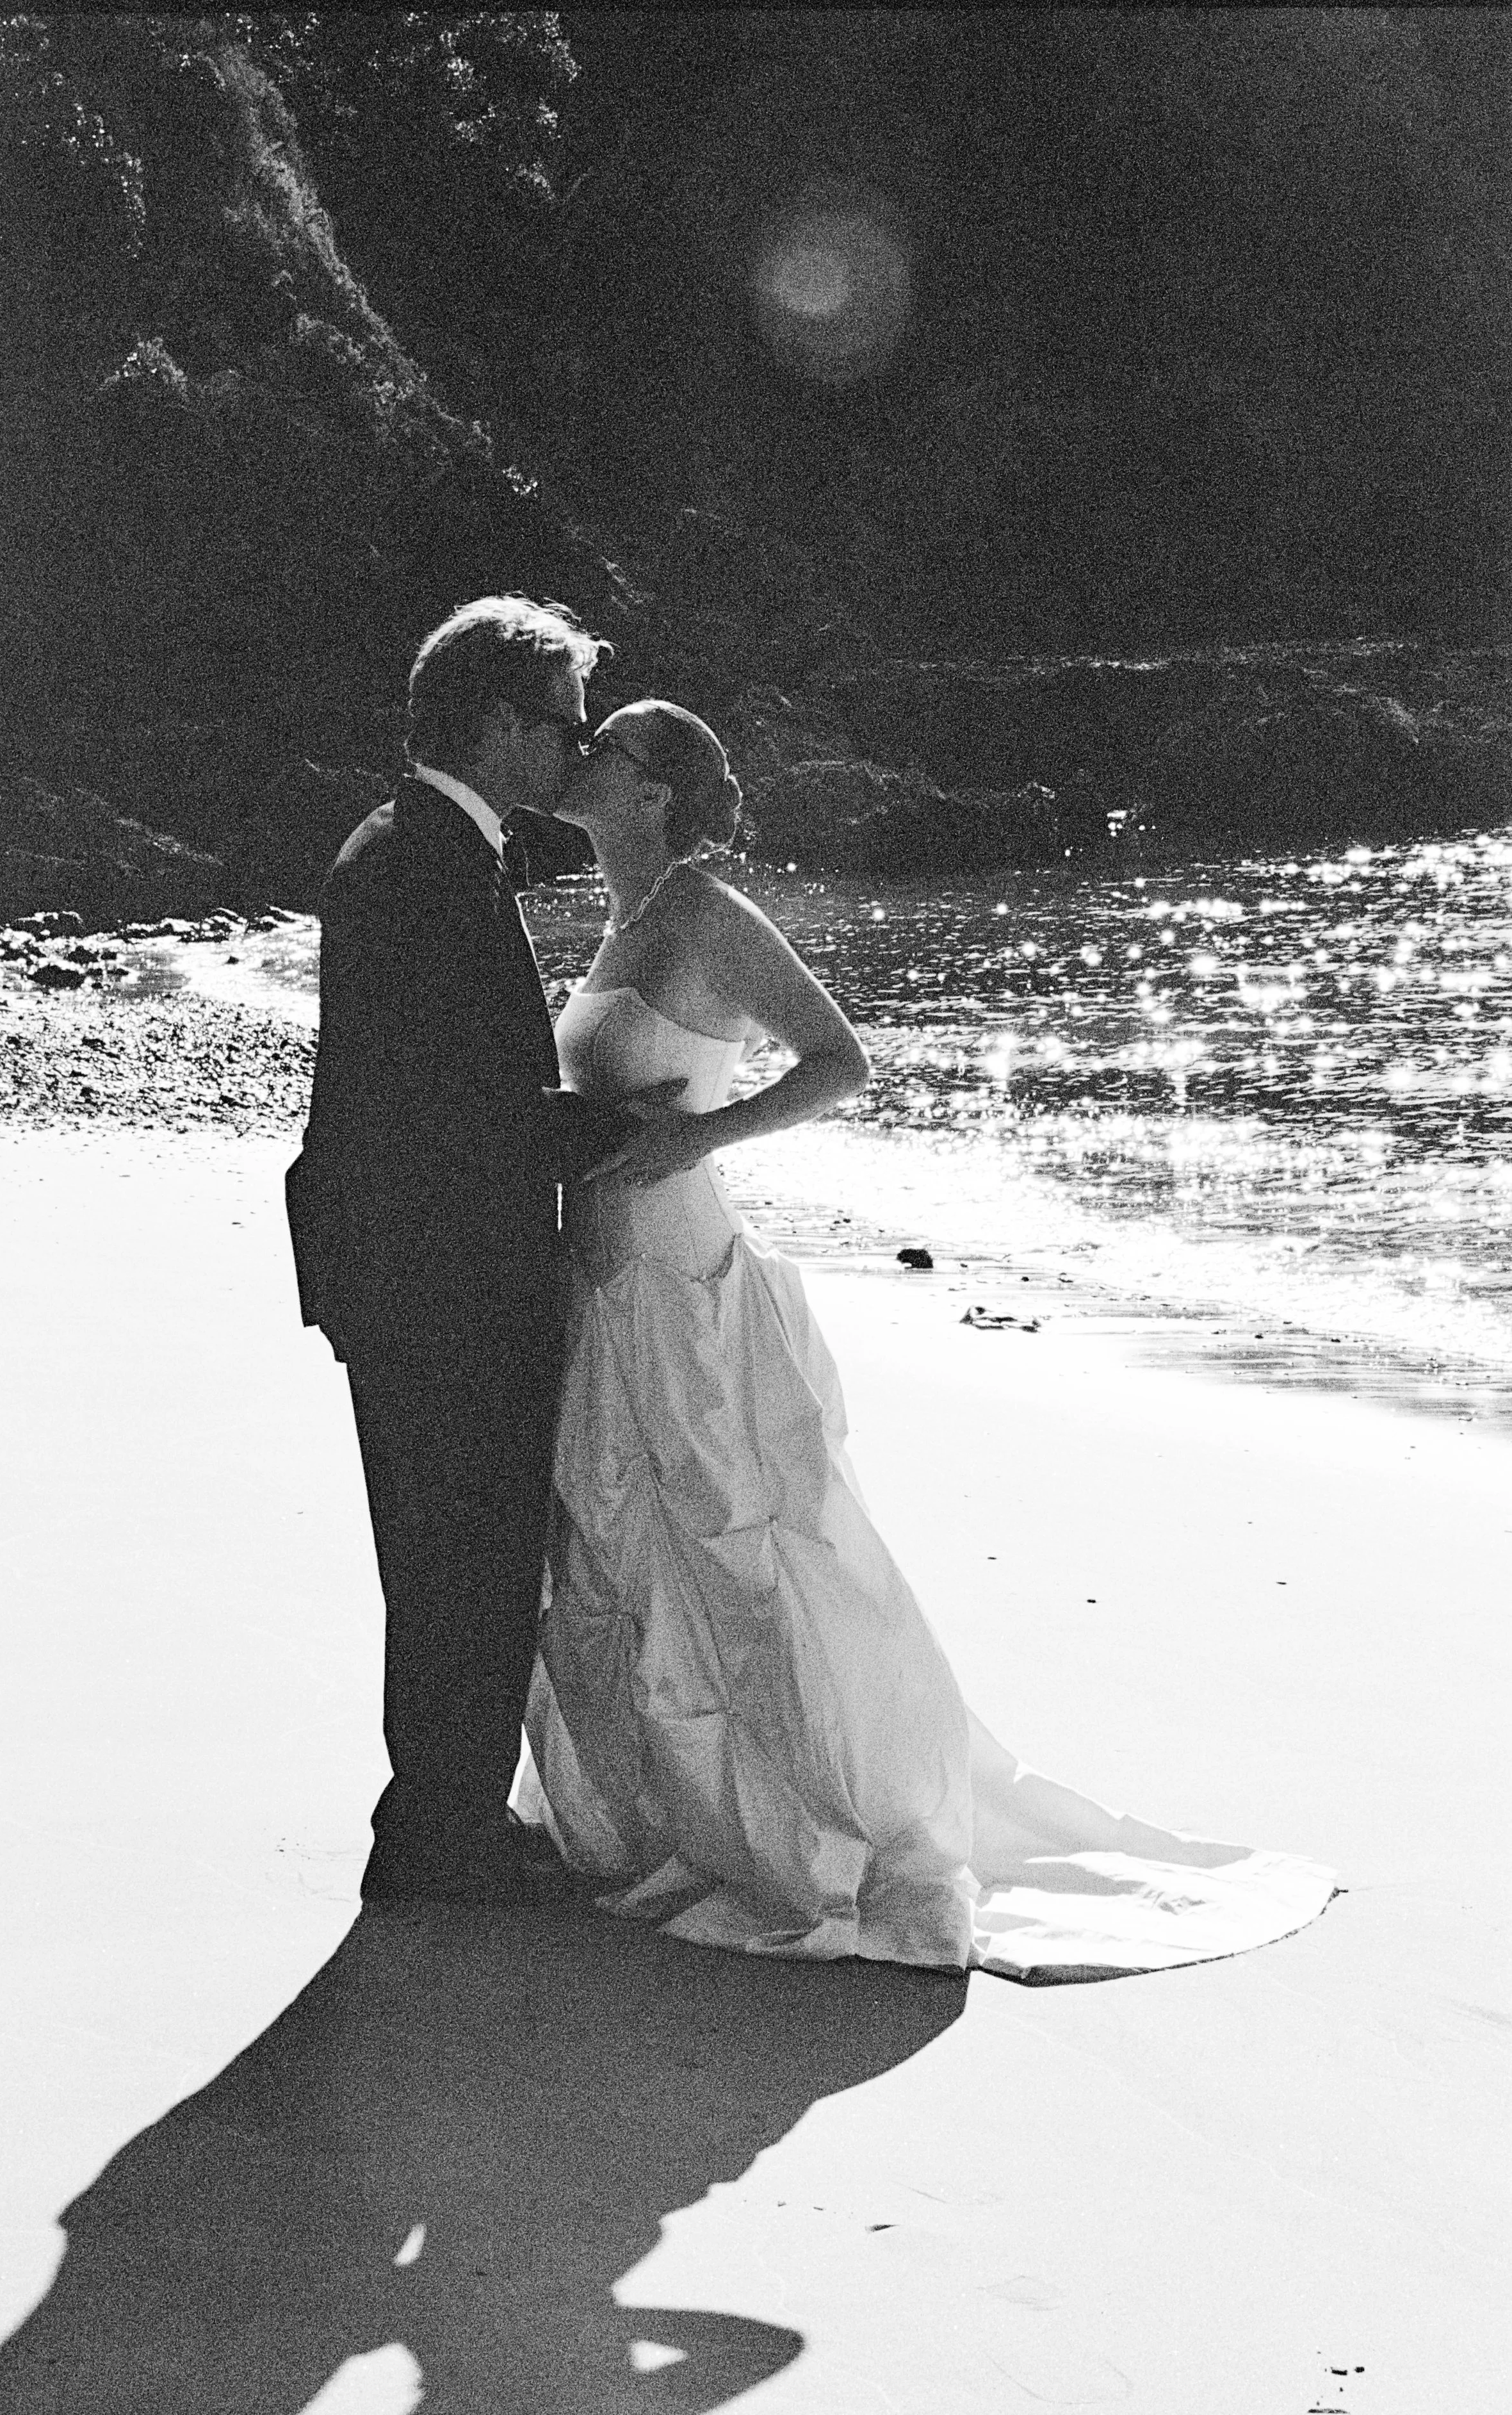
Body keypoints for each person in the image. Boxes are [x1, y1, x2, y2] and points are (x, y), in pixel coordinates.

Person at [516, 699, 1338, 1977]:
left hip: (679, 1268)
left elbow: (838, 1061)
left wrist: (694, 1137)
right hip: (602, 1276)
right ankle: (671, 1816)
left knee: (730, 1541)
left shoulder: (706, 915)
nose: (580, 758)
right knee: (624, 1547)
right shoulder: (622, 920)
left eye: (607, 749)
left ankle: (805, 1827)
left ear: (654, 795)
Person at [286, 596, 660, 1905]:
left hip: (407, 1264)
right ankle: (441, 1840)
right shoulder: (415, 863)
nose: (571, 751)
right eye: (559, 725)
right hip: (436, 1274)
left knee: (447, 1555)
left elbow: (430, 1087)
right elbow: (448, 1108)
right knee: (465, 1554)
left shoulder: (419, 844)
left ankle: (436, 1821)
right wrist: (616, 1122)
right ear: (500, 725)